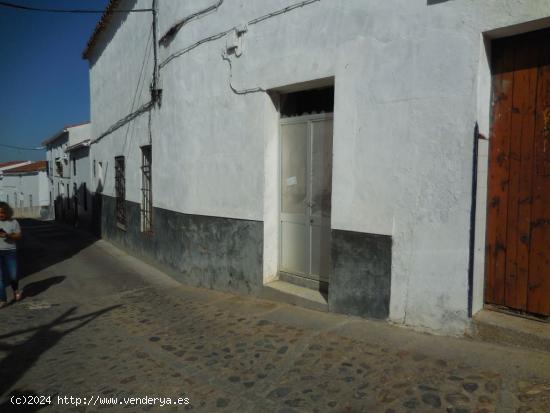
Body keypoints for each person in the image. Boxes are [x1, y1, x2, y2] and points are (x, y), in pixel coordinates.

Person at [0, 202, 22, 308]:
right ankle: (3, 299)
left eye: (3, 212)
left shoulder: (14, 222)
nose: (1, 215)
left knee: (13, 275)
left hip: (10, 251)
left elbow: (18, 236)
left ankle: (15, 289)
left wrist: (8, 235)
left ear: (7, 212)